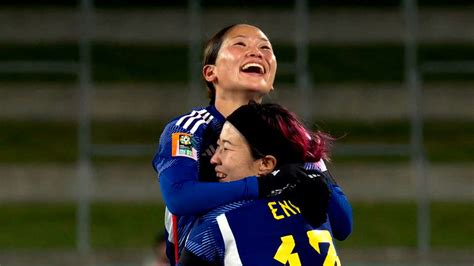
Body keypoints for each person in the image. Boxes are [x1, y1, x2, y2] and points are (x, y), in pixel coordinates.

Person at [152, 23, 352, 265]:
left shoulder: (291, 134)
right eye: (240, 44)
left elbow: (342, 224)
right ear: (210, 72)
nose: (257, 52)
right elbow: (178, 196)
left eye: (265, 48)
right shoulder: (189, 129)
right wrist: (266, 184)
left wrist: (319, 185)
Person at [180, 102, 341, 265]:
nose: (214, 159)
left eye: (226, 148)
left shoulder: (218, 223)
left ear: (265, 164)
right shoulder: (315, 206)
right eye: (218, 146)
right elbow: (345, 225)